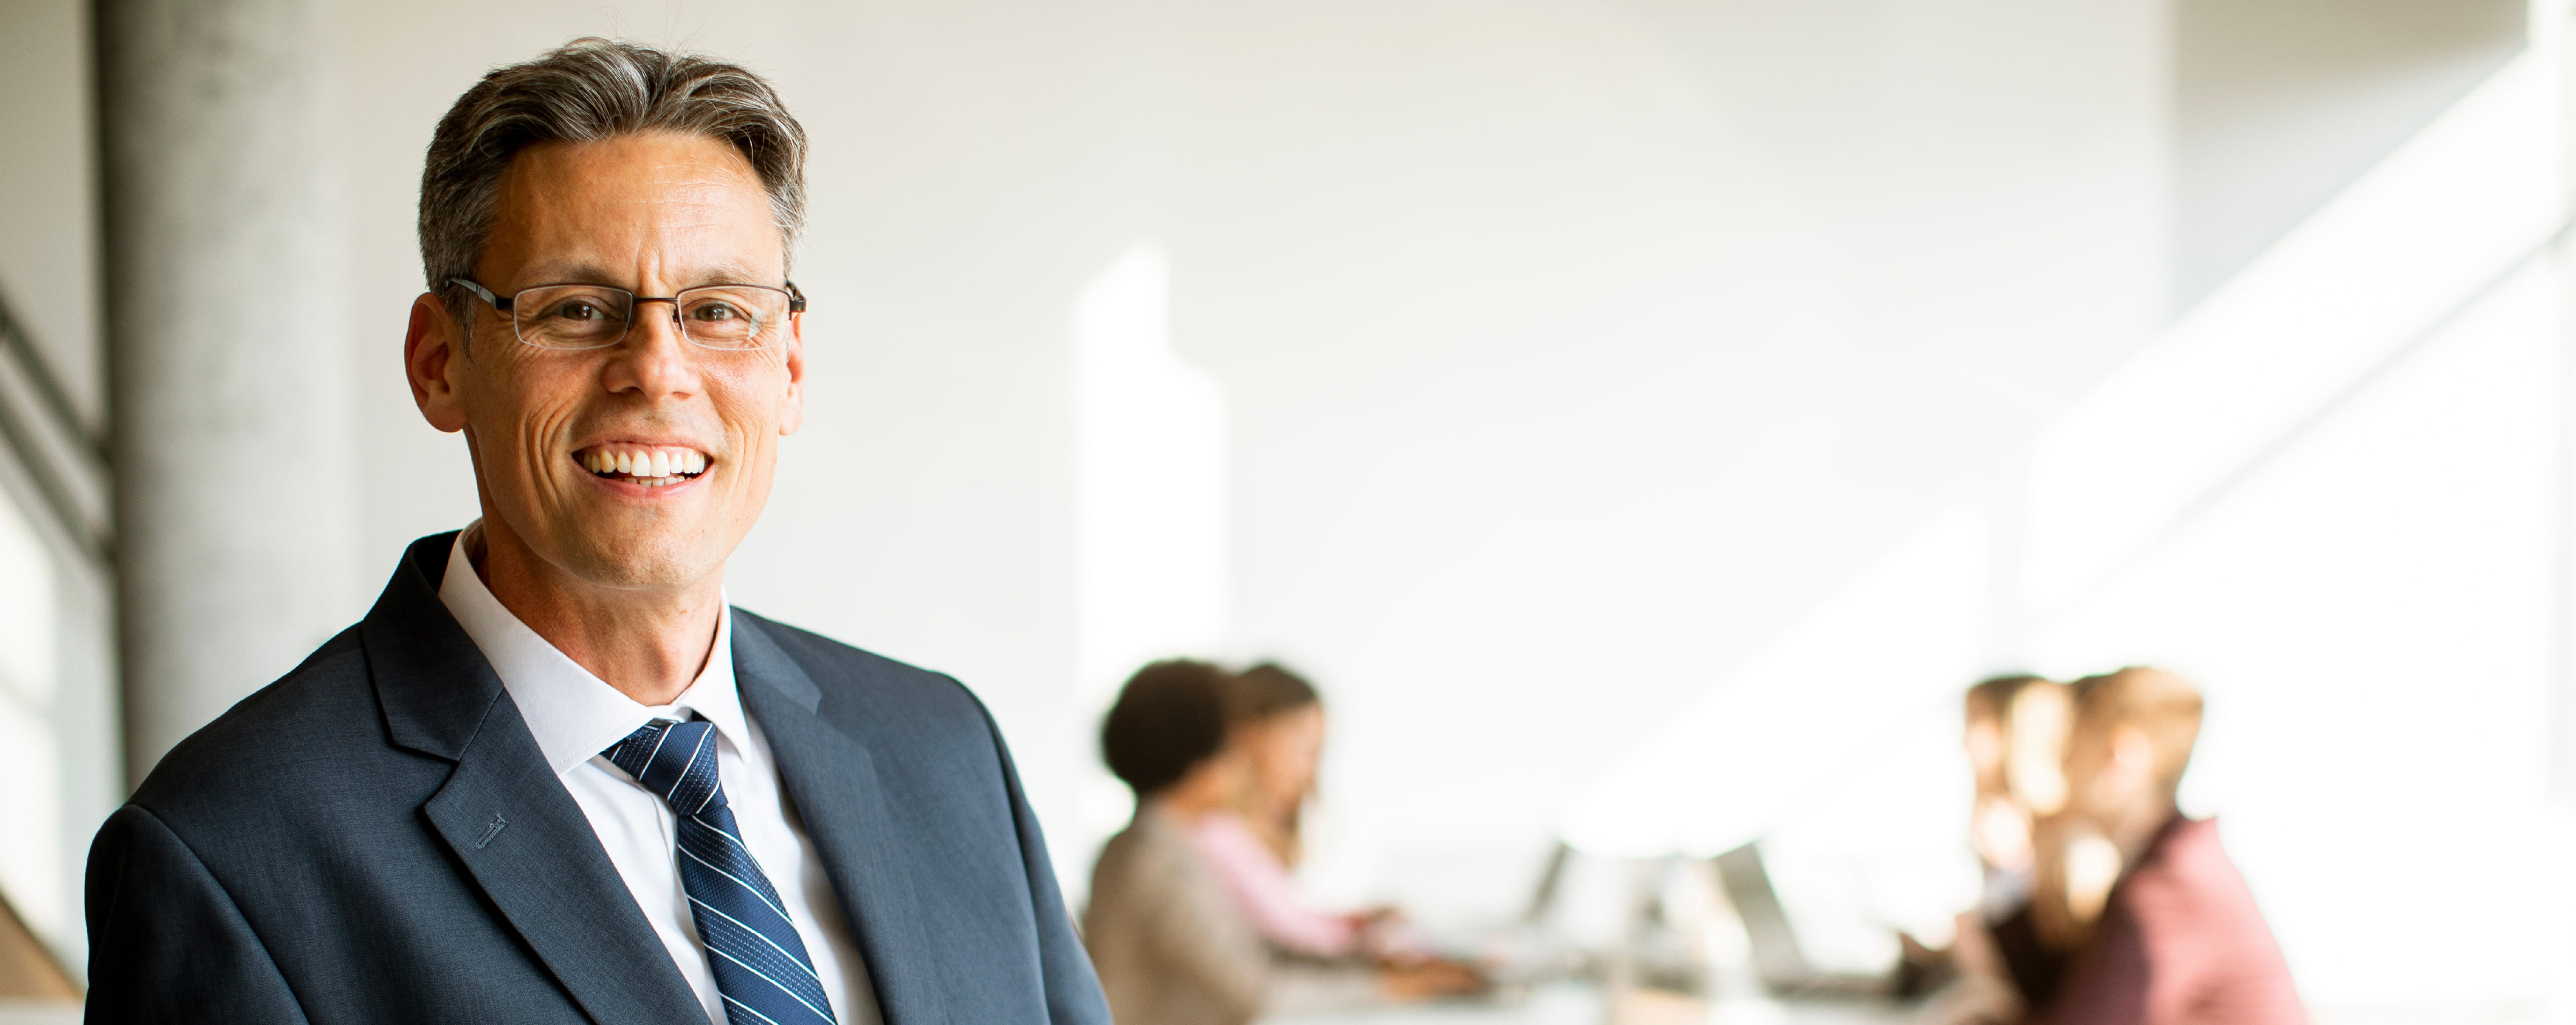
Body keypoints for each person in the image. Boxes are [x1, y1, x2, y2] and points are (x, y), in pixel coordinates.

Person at [82, 39, 1109, 1025]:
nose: (656, 369)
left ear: (788, 366)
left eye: (716, 309)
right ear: (440, 360)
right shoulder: (233, 851)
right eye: (575, 309)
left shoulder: (940, 744)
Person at [2020, 668, 2303, 1025]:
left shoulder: (2170, 889)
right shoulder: (2178, 865)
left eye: (2068, 748)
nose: (2059, 771)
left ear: (2117, 756)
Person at [1085, 659, 1310, 1025]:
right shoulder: (1152, 858)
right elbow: (1253, 992)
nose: (1246, 765)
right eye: (1237, 747)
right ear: (1202, 760)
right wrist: (1391, 987)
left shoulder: (1162, 843)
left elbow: (1256, 957)